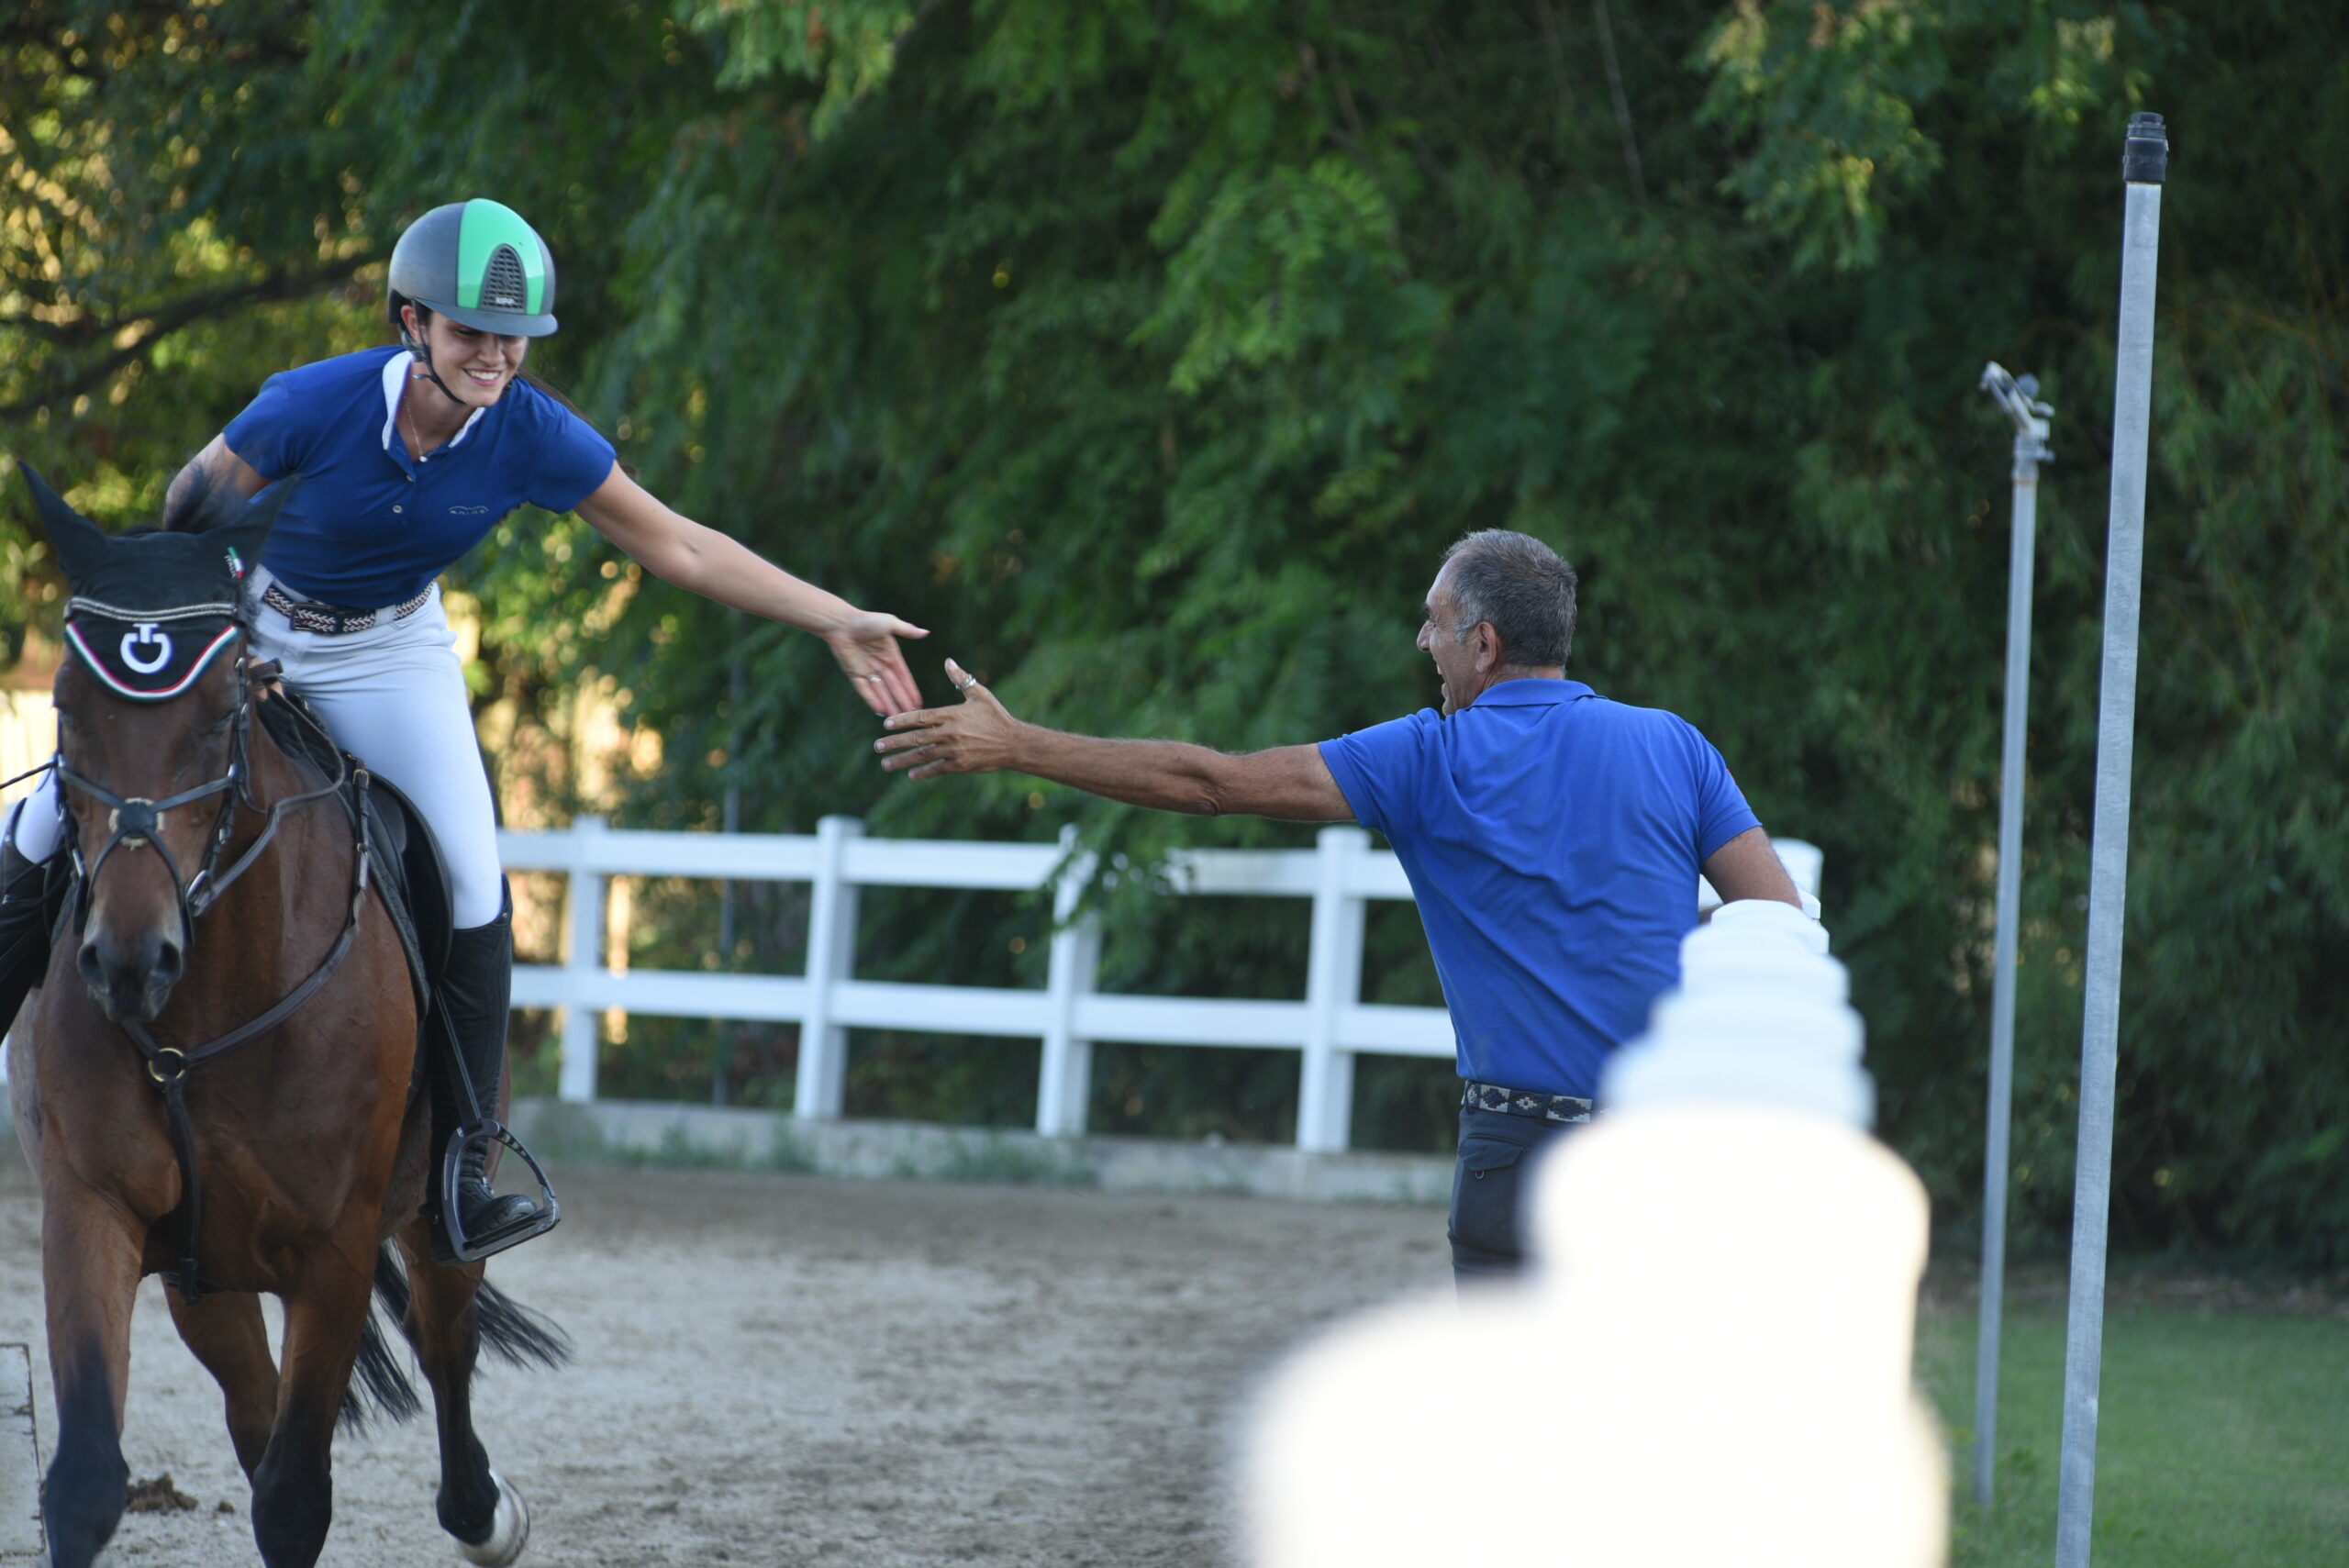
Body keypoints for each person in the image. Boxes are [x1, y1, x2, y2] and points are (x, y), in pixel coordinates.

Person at [0, 197, 927, 1257]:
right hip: (252, 627)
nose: (495, 353)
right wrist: (214, 637)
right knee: (42, 821)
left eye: (512, 334)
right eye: (471, 330)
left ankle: (467, 1164)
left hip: (391, 652)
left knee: (477, 878)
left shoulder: (533, 434)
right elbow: (187, 505)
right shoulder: (313, 402)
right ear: (412, 322)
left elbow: (685, 549)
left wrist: (836, 619)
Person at [871, 528, 1800, 1281]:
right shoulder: (1674, 745)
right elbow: (1778, 922)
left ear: (1484, 642)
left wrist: (1021, 744)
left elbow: (1207, 783)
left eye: (1434, 623)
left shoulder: (1428, 756)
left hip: (1518, 1155)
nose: (1420, 642)